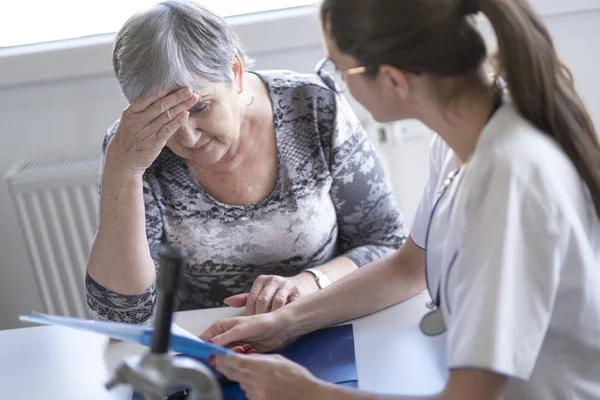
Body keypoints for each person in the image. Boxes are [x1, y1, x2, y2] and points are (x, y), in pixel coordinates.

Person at [200, 0, 600, 399]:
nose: (336, 82)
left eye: (339, 69)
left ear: (393, 79)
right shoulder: (463, 134)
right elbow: (411, 266)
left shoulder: (507, 179)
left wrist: (306, 393)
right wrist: (286, 322)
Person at [85, 0, 407, 324]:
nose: (187, 137)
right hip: (210, 338)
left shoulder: (312, 108)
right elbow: (121, 312)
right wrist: (124, 171)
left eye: (199, 108)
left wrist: (310, 282)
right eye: (162, 118)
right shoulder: (134, 147)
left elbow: (386, 243)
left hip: (323, 319)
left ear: (235, 73)